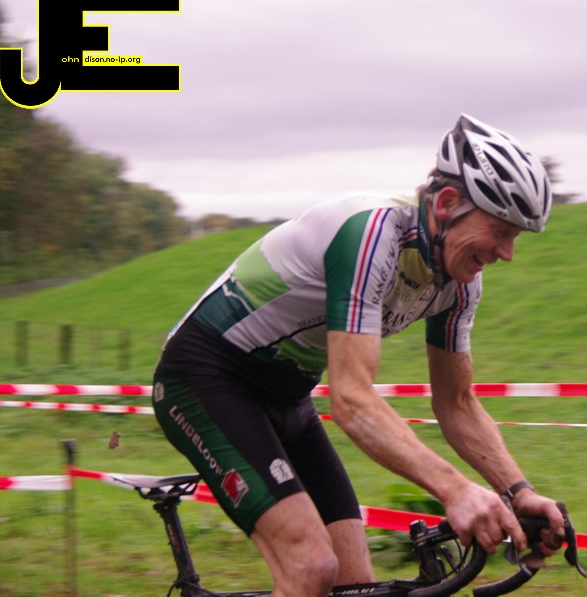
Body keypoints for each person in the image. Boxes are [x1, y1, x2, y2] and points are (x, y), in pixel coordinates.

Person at [151, 113, 565, 597]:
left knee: (354, 585)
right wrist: (455, 490)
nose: (507, 252)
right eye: (501, 230)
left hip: (289, 398)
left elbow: (456, 403)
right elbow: (350, 398)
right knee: (310, 567)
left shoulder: (459, 283)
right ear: (448, 203)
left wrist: (518, 491)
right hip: (206, 377)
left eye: (515, 237)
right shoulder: (372, 234)